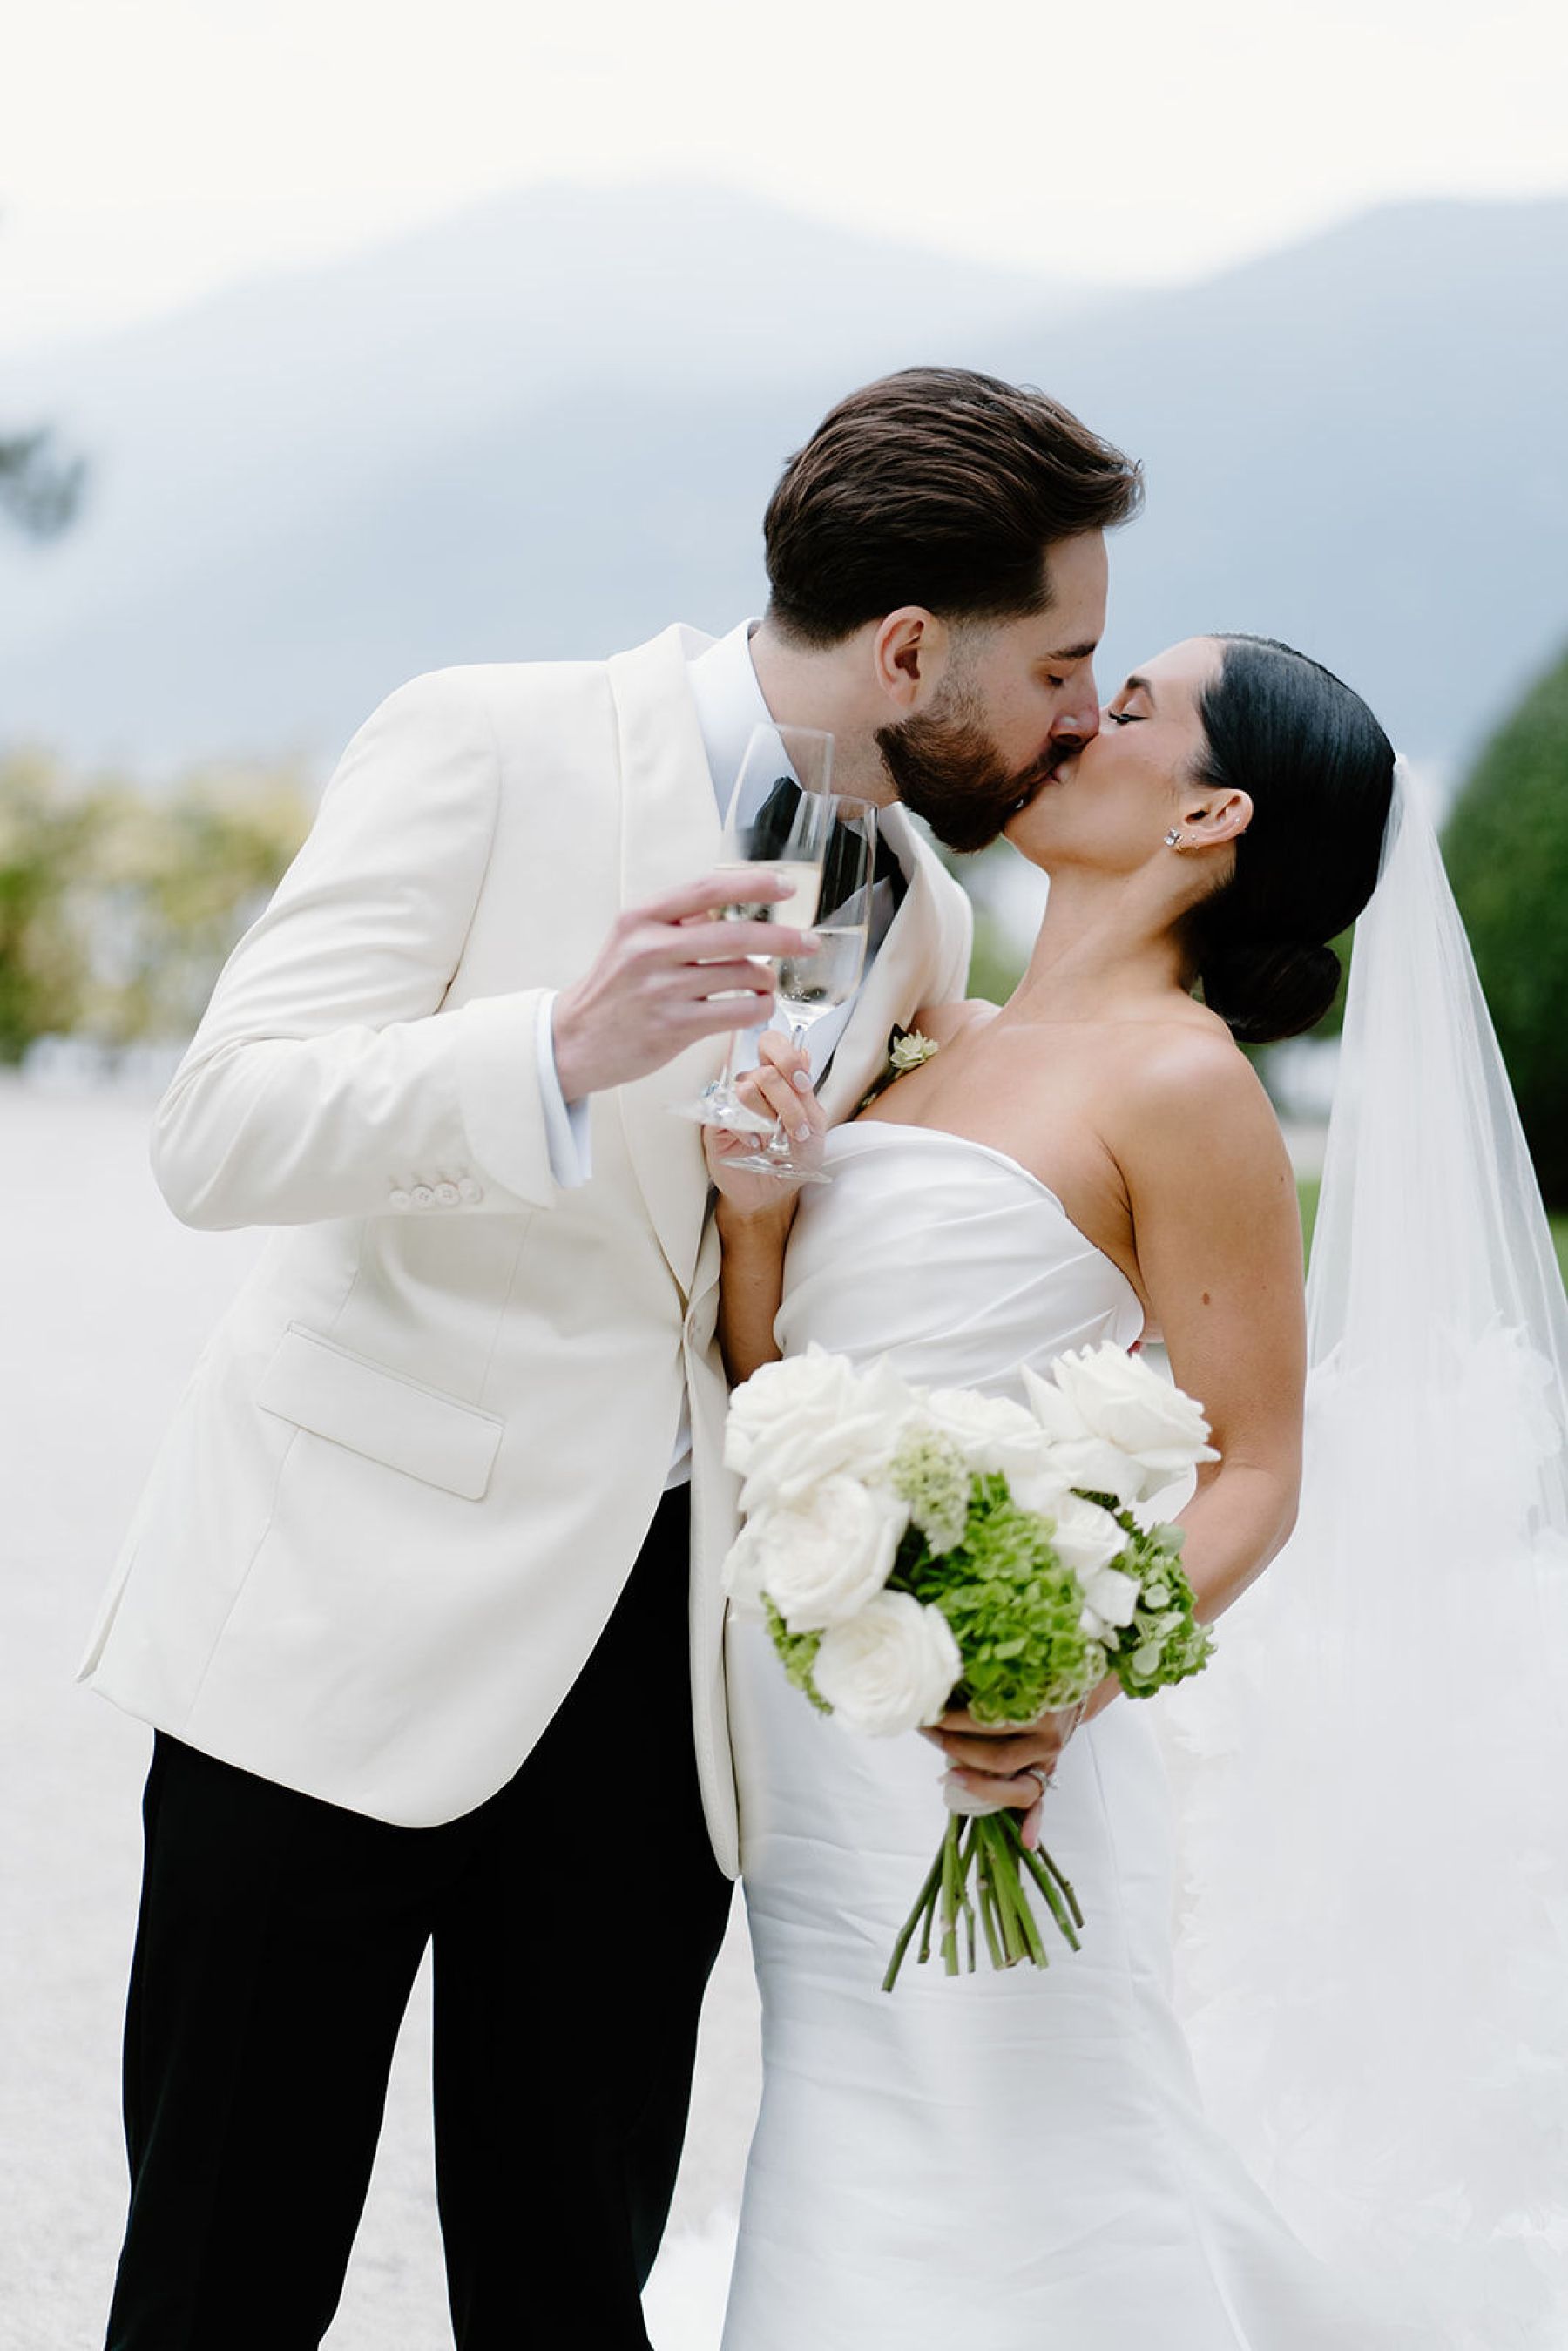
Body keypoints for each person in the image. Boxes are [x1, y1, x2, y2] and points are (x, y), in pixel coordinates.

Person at [80, 366, 1142, 2348]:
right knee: (223, 2274)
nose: (1085, 710)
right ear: (911, 648)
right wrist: (559, 1049)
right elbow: (217, 1127)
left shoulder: (914, 912)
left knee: (571, 2286)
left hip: (652, 1703)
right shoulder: (486, 737)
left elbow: (827, 1291)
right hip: (330, 1630)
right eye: (1065, 663)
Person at [707, 632, 1453, 2346]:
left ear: (1215, 814)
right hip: (818, 1742)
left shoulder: (1185, 1086)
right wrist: (756, 1221)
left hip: (997, 1753)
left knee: (1029, 2183)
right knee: (848, 2163)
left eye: (1128, 711)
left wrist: (1066, 1677)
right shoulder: (924, 1036)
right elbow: (779, 1393)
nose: (1072, 725)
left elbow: (1257, 1463)